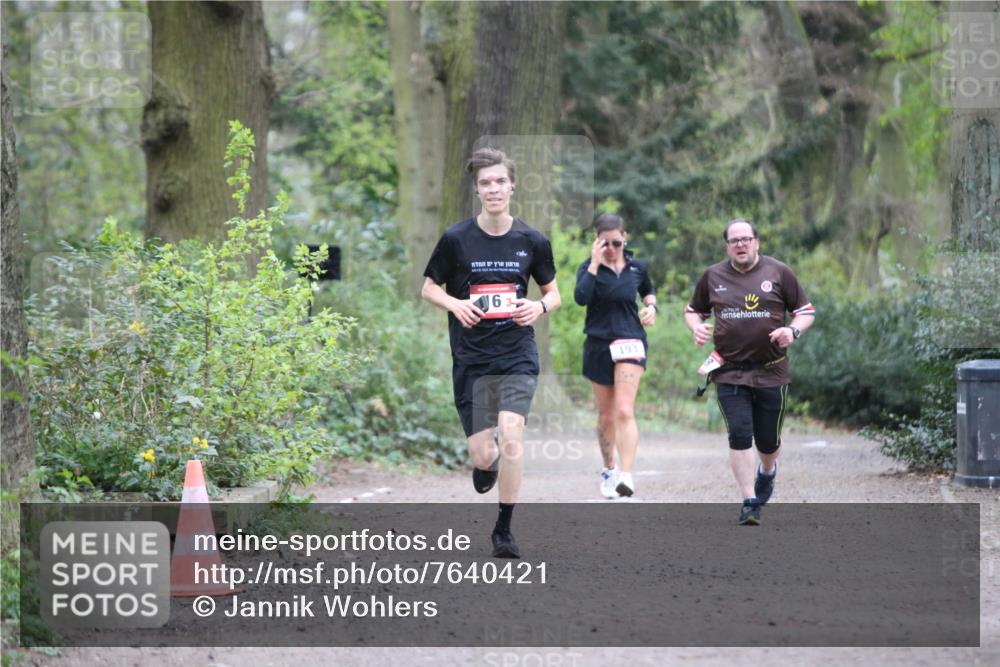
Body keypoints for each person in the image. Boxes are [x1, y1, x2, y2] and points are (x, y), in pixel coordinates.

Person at [421, 147, 561, 558]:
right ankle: (486, 464)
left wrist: (537, 306)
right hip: (471, 358)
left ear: (512, 185)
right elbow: (428, 287)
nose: (494, 188)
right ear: (477, 189)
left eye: (500, 181)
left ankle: (504, 528)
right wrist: (455, 304)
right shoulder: (456, 239)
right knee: (485, 452)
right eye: (486, 183)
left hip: (516, 352)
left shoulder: (532, 240)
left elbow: (554, 294)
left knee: (513, 435)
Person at [684, 219, 815, 525]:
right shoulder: (713, 276)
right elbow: (693, 310)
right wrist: (697, 327)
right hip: (729, 371)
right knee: (740, 434)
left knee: (768, 441)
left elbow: (806, 311)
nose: (740, 245)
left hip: (771, 371)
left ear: (757, 242)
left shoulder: (779, 273)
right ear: (727, 245)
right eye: (734, 241)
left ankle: (767, 471)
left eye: (746, 239)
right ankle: (749, 501)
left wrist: (792, 332)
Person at [574, 213, 656, 498]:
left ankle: (627, 475)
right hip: (598, 344)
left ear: (625, 238)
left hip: (631, 342)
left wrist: (651, 306)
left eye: (616, 242)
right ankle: (609, 468)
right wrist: (595, 264)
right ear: (596, 242)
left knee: (624, 409)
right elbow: (581, 298)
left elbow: (648, 290)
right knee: (607, 415)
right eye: (604, 243)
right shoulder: (588, 268)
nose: (611, 248)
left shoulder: (638, 267)